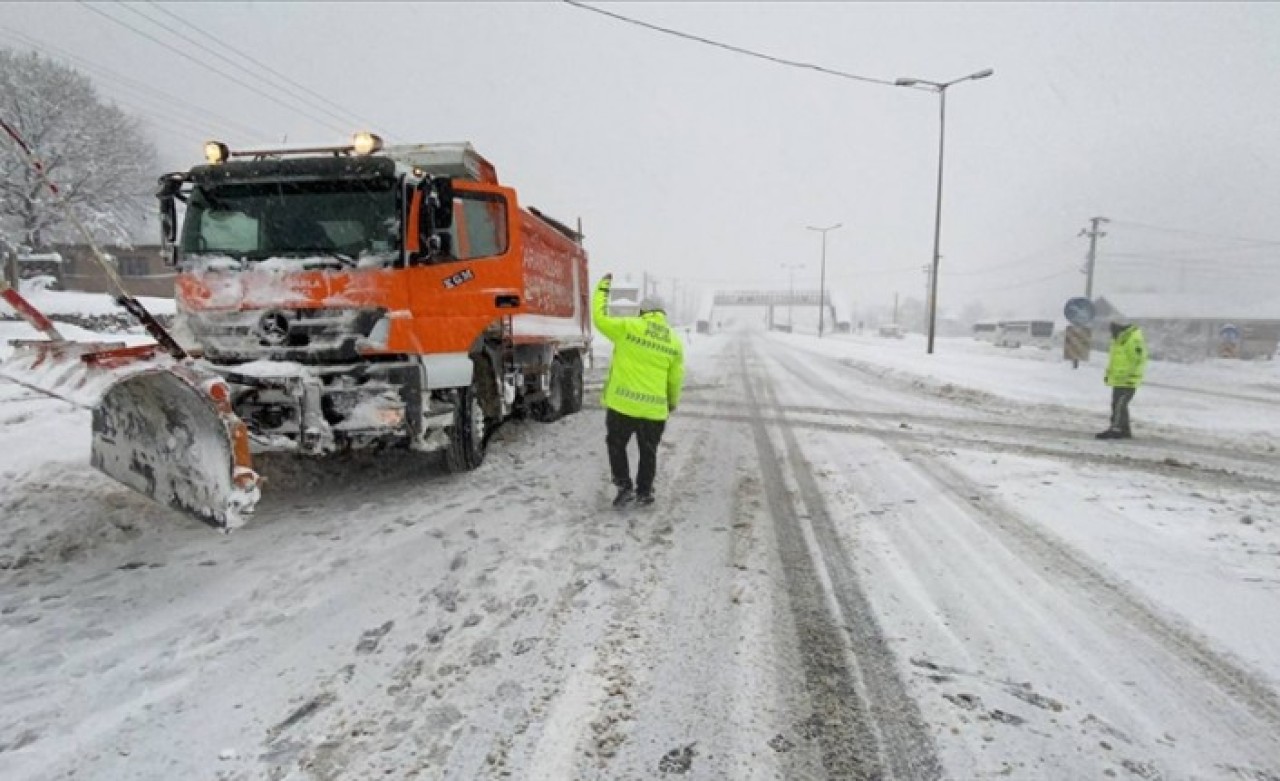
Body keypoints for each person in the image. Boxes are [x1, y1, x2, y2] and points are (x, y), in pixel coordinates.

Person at [592, 273, 685, 506]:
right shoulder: (674, 340)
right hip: (654, 410)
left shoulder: (628, 327)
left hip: (622, 405)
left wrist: (603, 289)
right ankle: (645, 491)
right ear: (663, 315)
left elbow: (599, 318)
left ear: (642, 312)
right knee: (648, 450)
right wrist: (671, 402)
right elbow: (675, 379)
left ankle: (624, 485)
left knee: (616, 444)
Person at [1097, 320, 1147, 440]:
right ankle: (1124, 429)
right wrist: (1109, 375)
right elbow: (1115, 360)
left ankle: (1116, 429)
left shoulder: (1132, 340)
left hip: (1128, 380)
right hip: (1119, 379)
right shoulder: (1119, 340)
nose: (1111, 333)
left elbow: (1137, 359)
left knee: (1120, 404)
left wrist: (1130, 375)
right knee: (1118, 404)